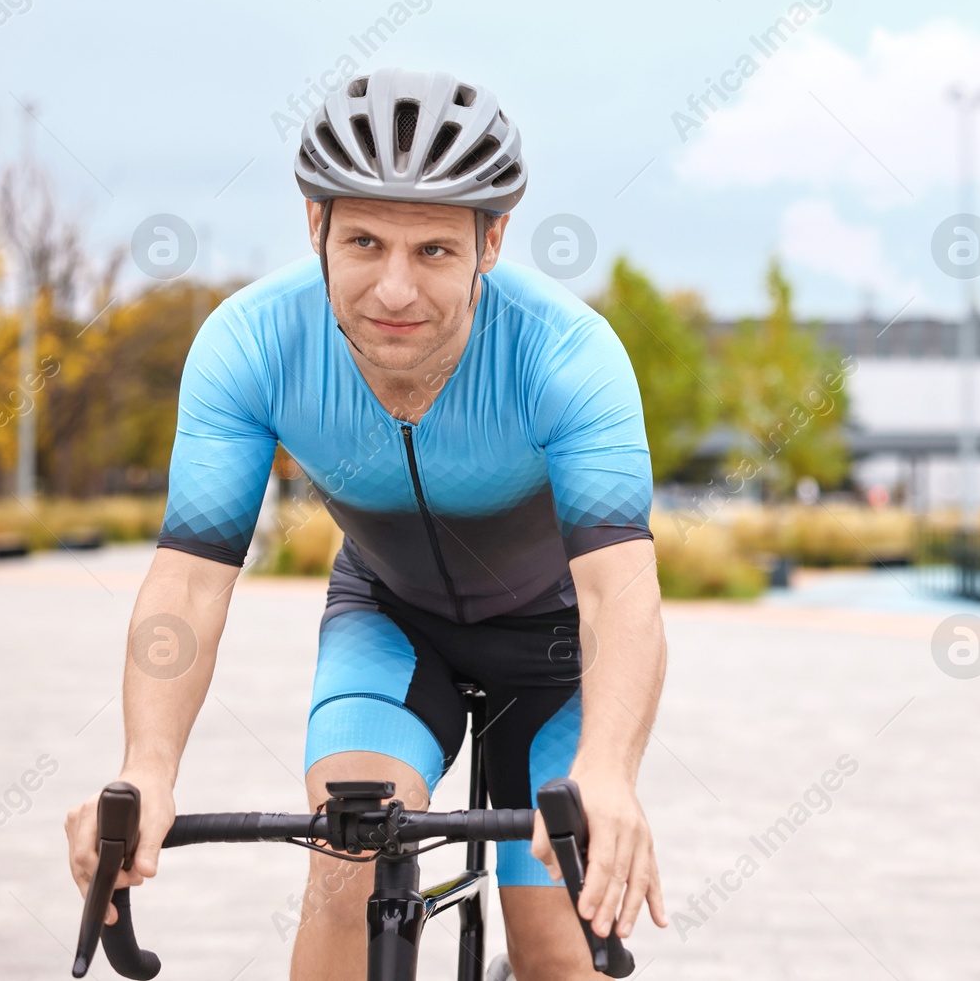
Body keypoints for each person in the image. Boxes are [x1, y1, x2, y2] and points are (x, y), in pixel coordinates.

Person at [64, 68, 668, 979]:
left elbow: (620, 595)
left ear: (491, 241)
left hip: (551, 645)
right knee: (349, 863)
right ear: (316, 228)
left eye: (432, 250)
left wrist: (609, 770)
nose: (393, 288)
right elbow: (188, 579)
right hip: (392, 619)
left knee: (552, 940)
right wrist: (146, 765)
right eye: (363, 241)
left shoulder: (569, 357)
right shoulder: (252, 343)